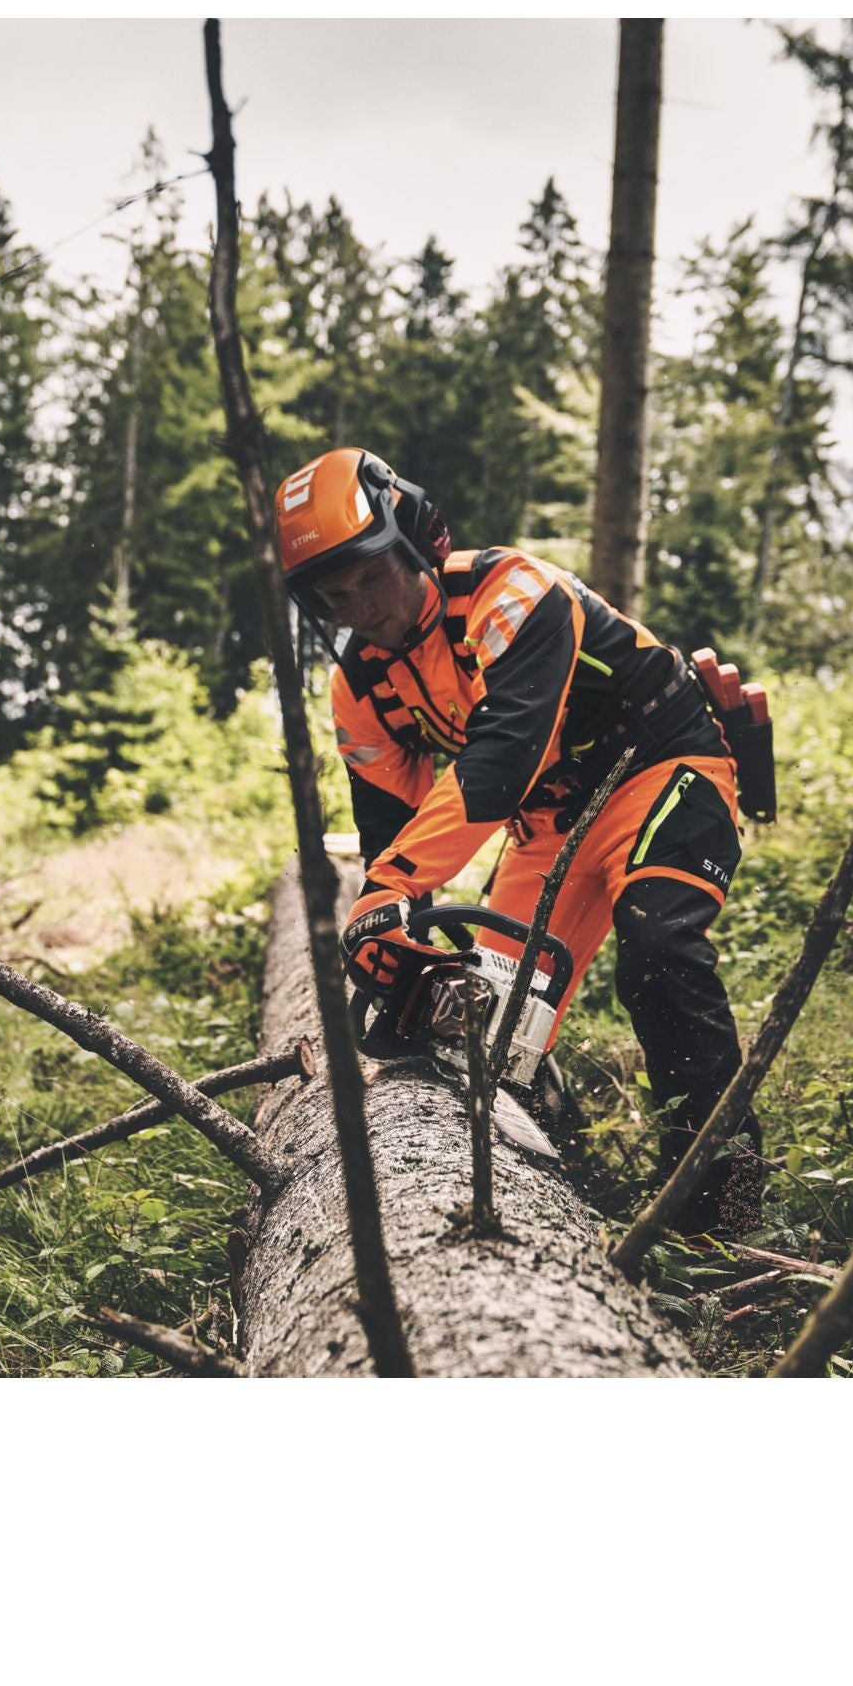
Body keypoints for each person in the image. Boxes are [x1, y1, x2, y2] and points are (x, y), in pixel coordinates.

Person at [277, 445, 764, 1234]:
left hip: (662, 763)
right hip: (547, 824)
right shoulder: (360, 686)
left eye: (371, 577)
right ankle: (553, 1157)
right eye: (336, 596)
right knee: (484, 1022)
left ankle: (722, 1200)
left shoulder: (512, 594)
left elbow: (501, 761)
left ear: (414, 542)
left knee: (659, 948)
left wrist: (391, 885)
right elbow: (392, 830)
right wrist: (394, 930)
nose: (361, 608)